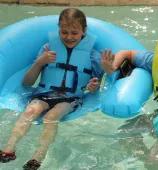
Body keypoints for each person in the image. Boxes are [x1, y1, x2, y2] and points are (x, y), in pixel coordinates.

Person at [0, 8, 112, 170]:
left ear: (84, 31)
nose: (69, 37)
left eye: (74, 33)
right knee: (31, 110)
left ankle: (38, 156)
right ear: (58, 29)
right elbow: (27, 82)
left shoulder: (93, 56)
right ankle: (9, 149)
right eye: (64, 32)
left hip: (71, 98)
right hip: (44, 93)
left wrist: (92, 87)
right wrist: (40, 62)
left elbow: (93, 90)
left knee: (51, 116)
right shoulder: (47, 49)